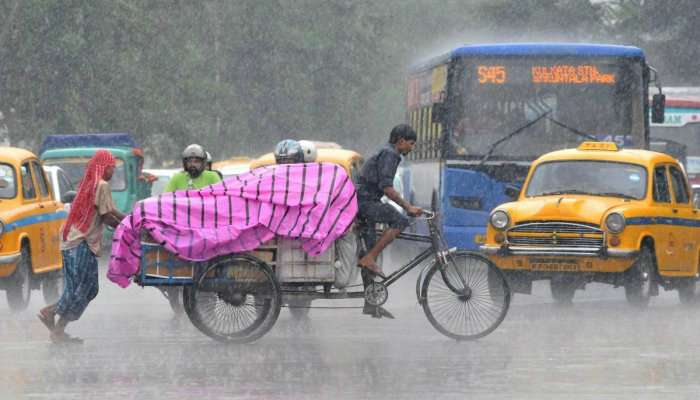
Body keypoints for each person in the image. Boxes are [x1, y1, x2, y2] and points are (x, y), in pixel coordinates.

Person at [37, 150, 125, 343]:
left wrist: (127, 219)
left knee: (82, 288)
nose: (112, 172)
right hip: (80, 242)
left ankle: (58, 329)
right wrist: (126, 226)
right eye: (111, 168)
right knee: (84, 287)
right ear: (104, 167)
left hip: (71, 241)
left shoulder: (90, 183)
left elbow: (109, 210)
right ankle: (50, 312)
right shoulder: (101, 185)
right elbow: (107, 216)